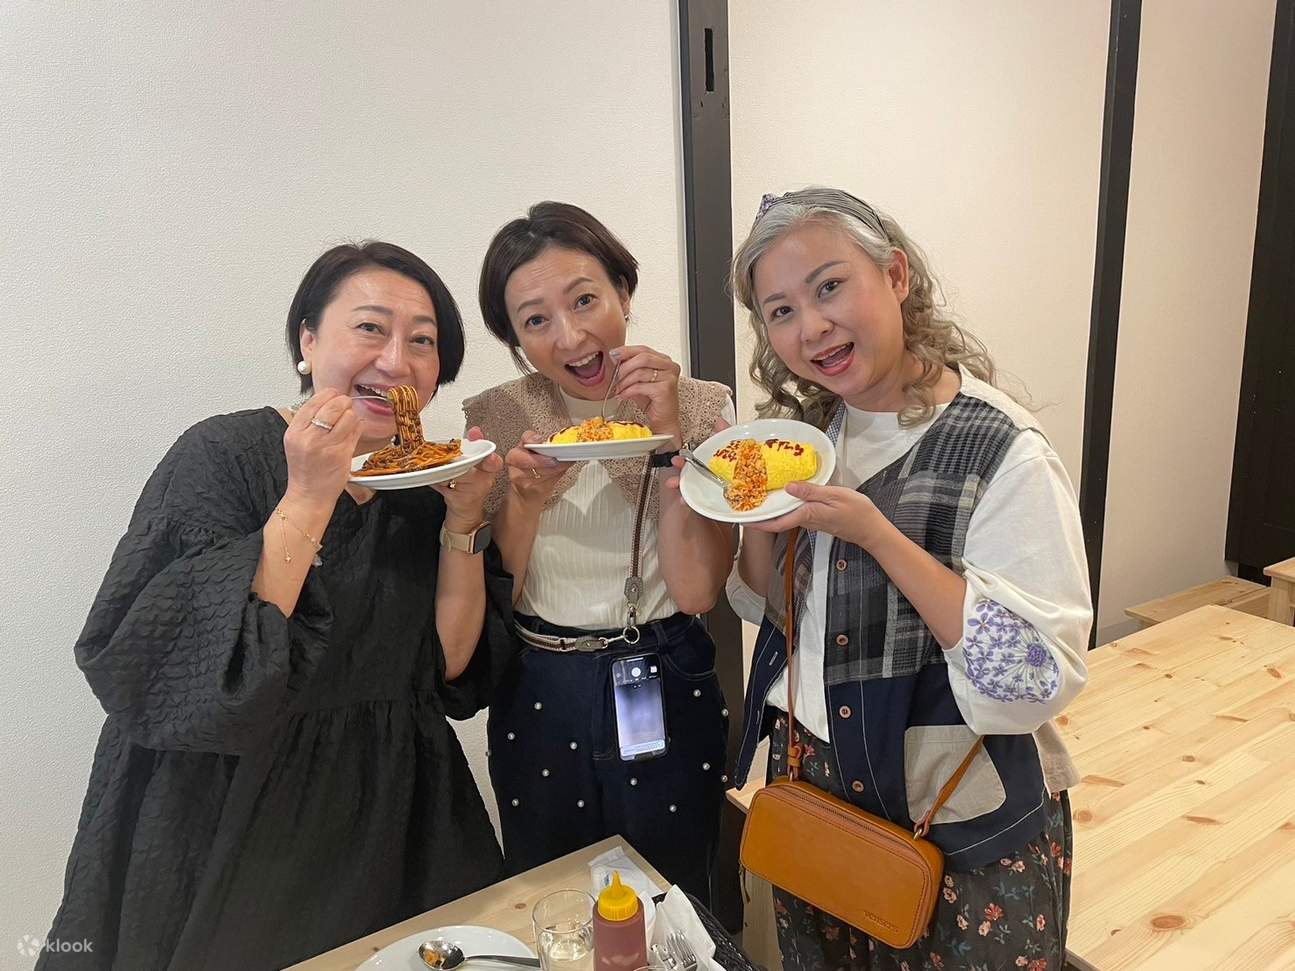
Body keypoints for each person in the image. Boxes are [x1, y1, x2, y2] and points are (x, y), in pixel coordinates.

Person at [40, 241, 514, 970]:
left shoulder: (419, 484)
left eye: (422, 341)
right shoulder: (223, 453)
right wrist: (308, 494)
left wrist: (461, 523)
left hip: (386, 810)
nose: (397, 361)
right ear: (307, 340)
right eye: (370, 328)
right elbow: (182, 671)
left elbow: (443, 668)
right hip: (225, 811)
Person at [725, 188, 1090, 970]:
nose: (811, 326)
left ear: (894, 274)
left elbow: (1032, 678)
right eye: (780, 310)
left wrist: (878, 535)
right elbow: (769, 607)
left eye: (829, 286)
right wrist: (754, 517)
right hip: (819, 796)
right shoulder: (816, 432)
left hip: (954, 820)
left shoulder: (1002, 450)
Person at [464, 202, 734, 902]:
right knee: (551, 890)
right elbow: (499, 589)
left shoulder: (702, 406)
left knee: (673, 891)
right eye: (535, 320)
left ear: (624, 291)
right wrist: (523, 499)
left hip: (663, 667)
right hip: (540, 681)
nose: (571, 335)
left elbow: (700, 590)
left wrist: (668, 435)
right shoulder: (496, 417)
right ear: (515, 338)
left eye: (585, 300)